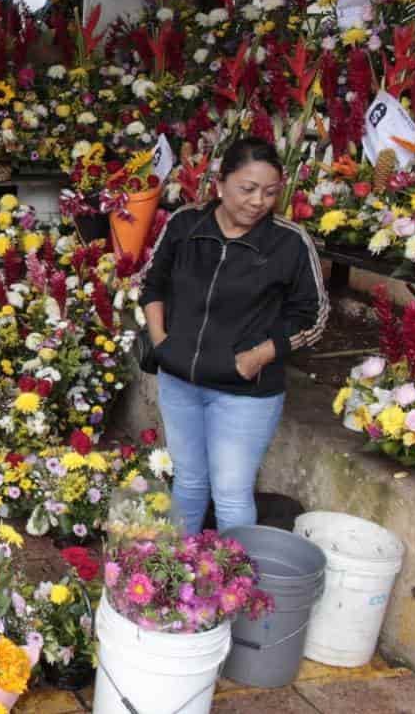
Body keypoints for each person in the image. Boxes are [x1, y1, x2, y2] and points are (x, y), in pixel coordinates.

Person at [139, 137, 328, 534]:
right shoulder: (185, 224)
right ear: (220, 184)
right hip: (180, 381)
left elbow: (313, 316)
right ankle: (178, 576)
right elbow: (152, 283)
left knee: (230, 493)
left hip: (245, 392)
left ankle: (232, 587)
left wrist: (258, 356)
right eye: (248, 189)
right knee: (188, 483)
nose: (259, 201)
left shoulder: (289, 242)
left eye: (270, 192)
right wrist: (162, 343)